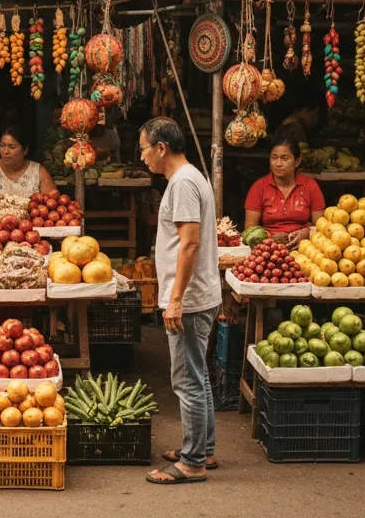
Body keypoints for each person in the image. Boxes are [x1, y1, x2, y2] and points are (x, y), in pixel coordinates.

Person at [139, 117, 220, 485]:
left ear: (161, 148)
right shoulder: (189, 178)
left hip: (189, 299)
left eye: (144, 149)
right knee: (197, 377)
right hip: (197, 295)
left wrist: (175, 300)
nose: (142, 157)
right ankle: (205, 449)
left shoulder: (184, 183)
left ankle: (193, 462)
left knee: (187, 381)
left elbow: (189, 244)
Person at [244, 138, 326, 247]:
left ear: (297, 161)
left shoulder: (310, 186)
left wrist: (306, 232)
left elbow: (321, 226)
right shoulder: (259, 187)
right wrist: (270, 238)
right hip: (268, 248)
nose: (278, 164)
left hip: (304, 247)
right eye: (274, 158)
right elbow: (249, 230)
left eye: (284, 158)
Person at [0, 126, 57, 197]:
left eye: (12, 147)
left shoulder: (39, 172)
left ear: (25, 150)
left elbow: (51, 203)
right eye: (2, 145)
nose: (6, 151)